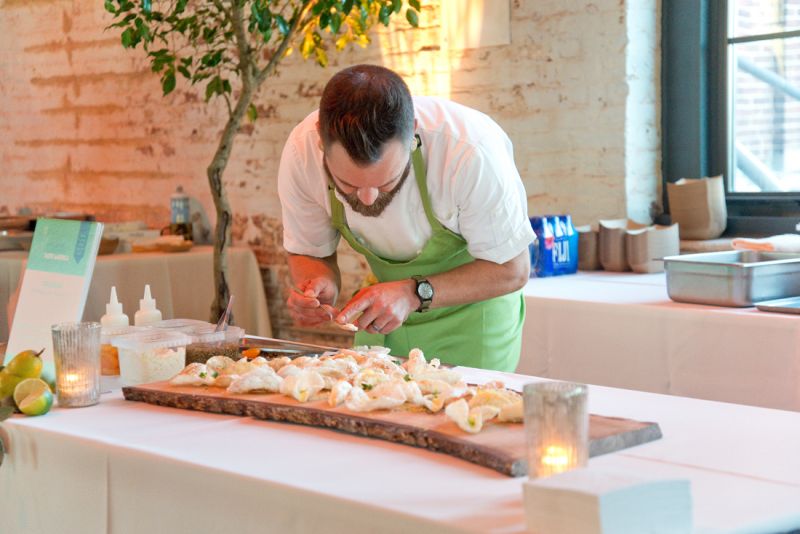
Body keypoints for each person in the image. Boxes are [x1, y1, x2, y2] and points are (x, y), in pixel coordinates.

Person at [277, 64, 533, 371]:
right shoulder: (301, 152)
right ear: (321, 138)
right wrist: (319, 284)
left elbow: (512, 270)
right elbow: (308, 251)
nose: (368, 199)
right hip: (383, 320)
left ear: (411, 130)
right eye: (348, 185)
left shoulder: (470, 152)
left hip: (473, 322)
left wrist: (412, 293)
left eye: (385, 183)